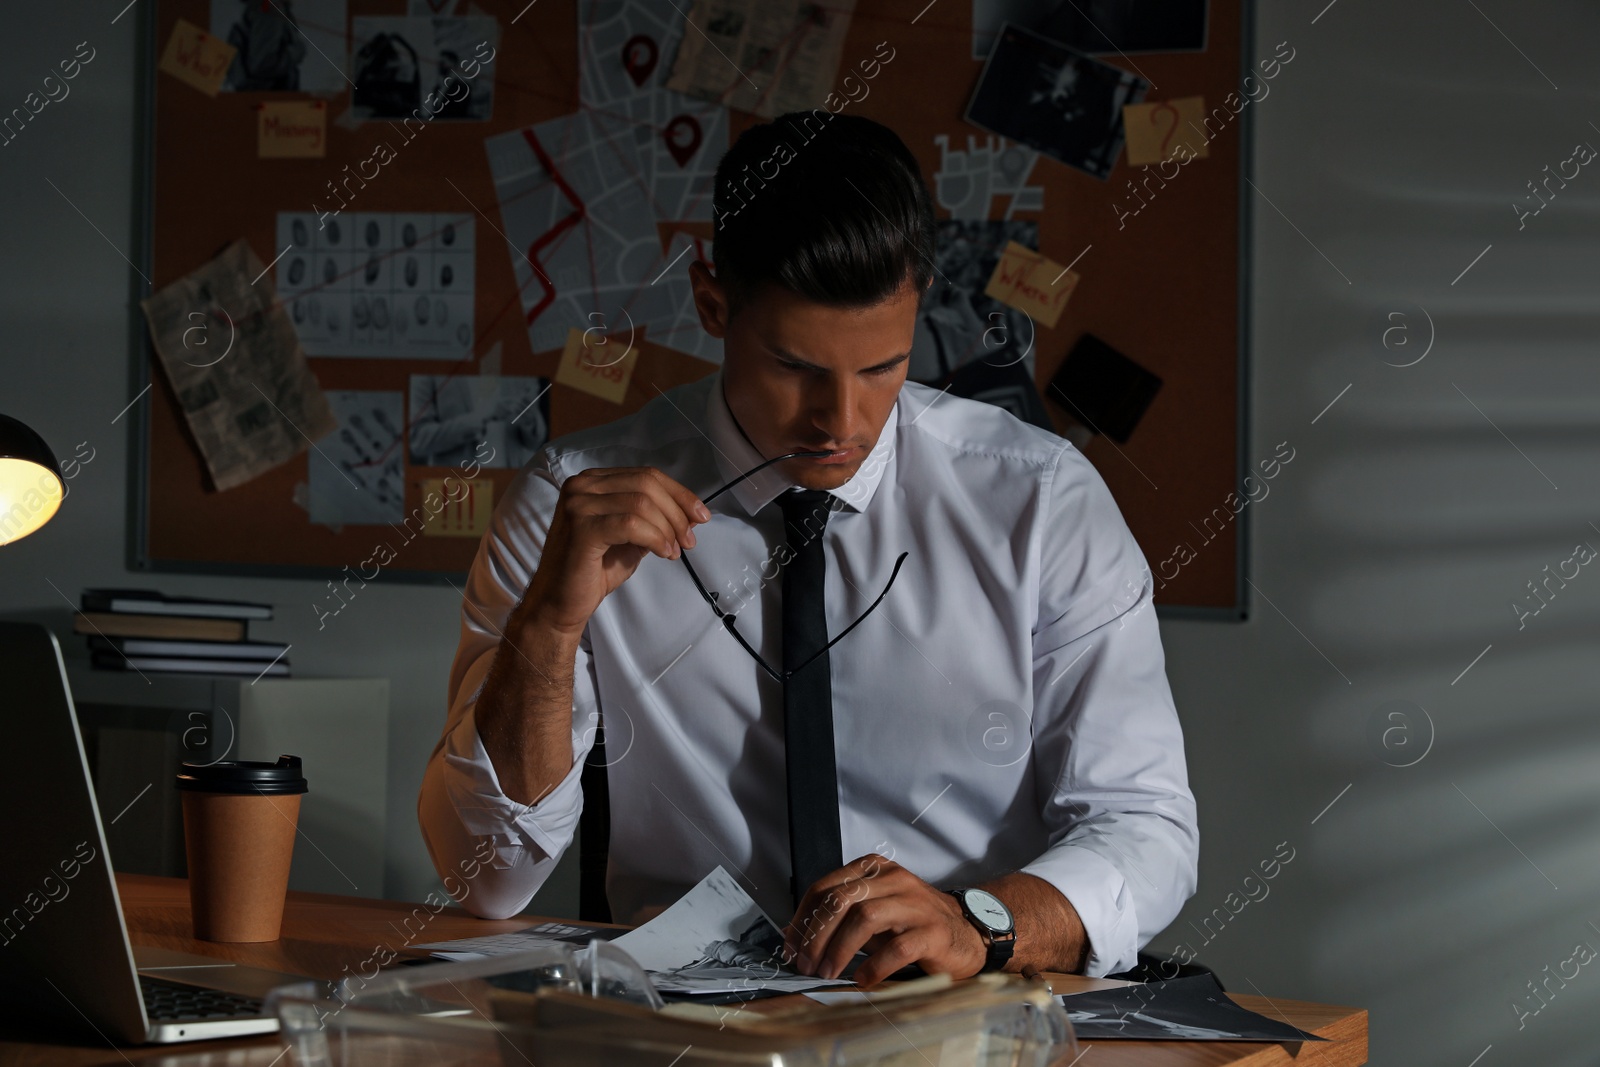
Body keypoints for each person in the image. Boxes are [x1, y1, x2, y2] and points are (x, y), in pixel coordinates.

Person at [418, 112, 1197, 984]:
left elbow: (1146, 824)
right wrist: (549, 628)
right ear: (713, 304)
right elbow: (484, 879)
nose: (843, 423)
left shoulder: (1040, 502)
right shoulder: (577, 498)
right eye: (796, 368)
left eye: (880, 369)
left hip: (959, 1016)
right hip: (691, 1032)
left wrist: (980, 923)